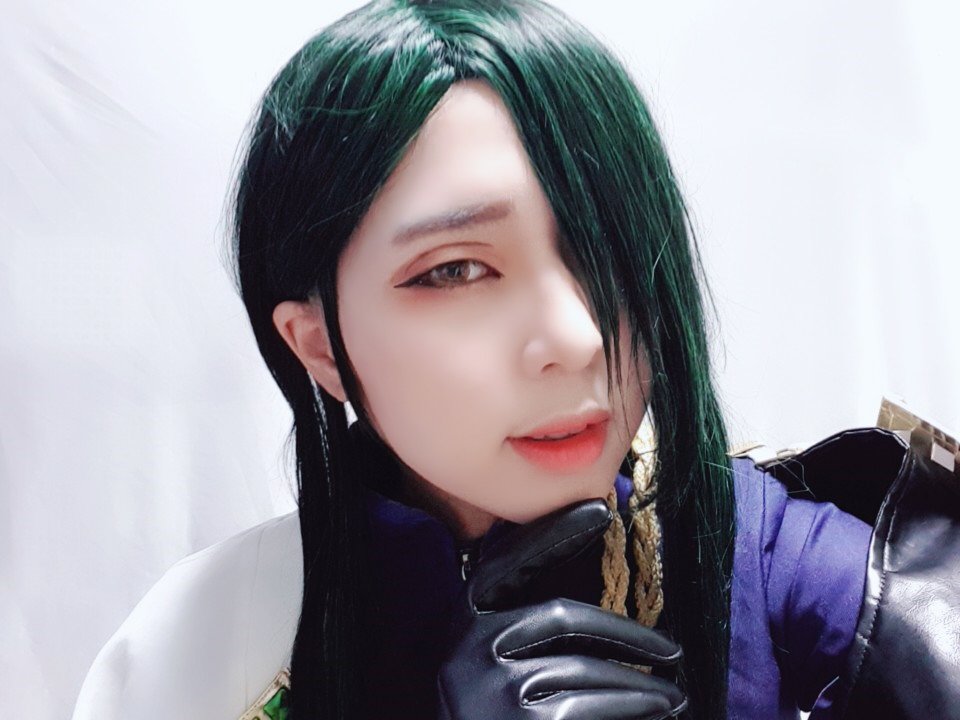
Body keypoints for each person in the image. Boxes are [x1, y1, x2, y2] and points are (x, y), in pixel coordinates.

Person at [71, 1, 960, 719]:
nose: (576, 338)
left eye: (607, 247)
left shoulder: (778, 558)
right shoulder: (212, 641)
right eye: (455, 271)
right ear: (321, 348)